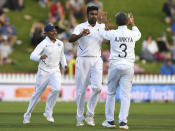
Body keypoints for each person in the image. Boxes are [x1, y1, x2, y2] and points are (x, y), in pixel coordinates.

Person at [99, 12, 141, 129]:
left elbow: (102, 33)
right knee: (125, 95)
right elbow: (139, 34)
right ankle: (123, 122)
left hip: (115, 65)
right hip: (128, 66)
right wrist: (133, 24)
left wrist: (102, 23)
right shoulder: (133, 34)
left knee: (111, 93)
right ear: (127, 22)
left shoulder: (113, 33)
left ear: (116, 23)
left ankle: (110, 121)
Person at [23, 24, 67, 124]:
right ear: (46, 33)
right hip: (43, 71)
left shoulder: (60, 43)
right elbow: (32, 55)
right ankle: (27, 114)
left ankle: (48, 112)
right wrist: (39, 57)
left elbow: (62, 56)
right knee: (37, 94)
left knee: (57, 89)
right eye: (51, 31)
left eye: (55, 30)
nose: (54, 32)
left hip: (55, 70)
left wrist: (65, 65)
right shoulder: (43, 43)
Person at [69, 6, 104, 126]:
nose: (94, 16)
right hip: (83, 59)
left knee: (98, 88)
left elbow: (109, 41)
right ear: (87, 14)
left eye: (95, 14)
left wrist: (109, 30)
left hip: (97, 59)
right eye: (91, 14)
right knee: (80, 91)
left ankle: (90, 115)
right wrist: (80, 35)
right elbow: (70, 39)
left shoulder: (102, 27)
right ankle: (79, 118)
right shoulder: (80, 26)